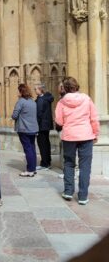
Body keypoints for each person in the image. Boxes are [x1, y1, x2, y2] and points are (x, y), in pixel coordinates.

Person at [55, 76, 99, 205]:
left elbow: (59, 121)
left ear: (65, 88)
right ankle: (83, 196)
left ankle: (68, 191)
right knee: (85, 166)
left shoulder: (61, 102)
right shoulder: (87, 99)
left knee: (69, 163)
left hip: (69, 136)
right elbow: (94, 118)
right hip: (86, 135)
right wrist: (95, 134)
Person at [12, 84, 39, 177]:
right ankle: (33, 168)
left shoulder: (21, 102)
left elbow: (14, 115)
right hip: (33, 128)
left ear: (20, 92)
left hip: (24, 129)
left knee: (28, 149)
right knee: (32, 148)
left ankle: (30, 170)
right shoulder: (32, 102)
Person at [34, 84, 54, 170]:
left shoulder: (41, 100)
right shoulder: (46, 98)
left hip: (41, 126)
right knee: (46, 143)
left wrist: (36, 126)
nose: (35, 91)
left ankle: (45, 163)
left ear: (40, 90)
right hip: (46, 125)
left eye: (36, 89)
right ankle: (47, 162)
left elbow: (39, 114)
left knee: (42, 144)